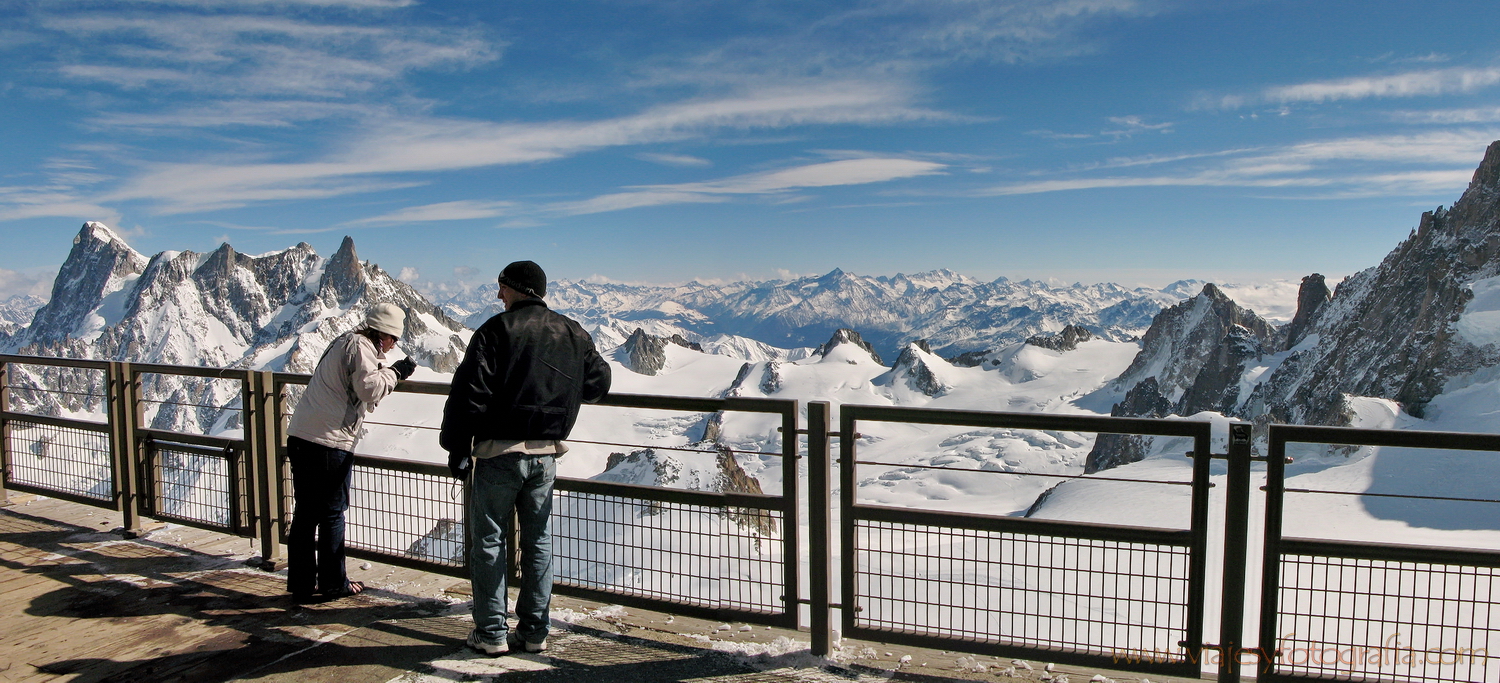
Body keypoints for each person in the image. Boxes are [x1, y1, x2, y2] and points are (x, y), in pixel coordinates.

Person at [441, 260, 611, 656]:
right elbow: (599, 382)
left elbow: (470, 395)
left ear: (516, 288)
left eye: (501, 287)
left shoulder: (494, 331)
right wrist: (560, 390)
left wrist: (456, 447)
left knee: (488, 542)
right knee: (539, 543)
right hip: (547, 455)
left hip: (499, 453)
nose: (498, 295)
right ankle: (534, 631)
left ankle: (491, 633)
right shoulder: (572, 330)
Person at [285, 303, 417, 602]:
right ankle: (334, 583)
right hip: (329, 442)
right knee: (332, 513)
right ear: (385, 336)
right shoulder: (361, 346)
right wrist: (396, 373)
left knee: (305, 514)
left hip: (302, 436)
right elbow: (368, 389)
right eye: (393, 339)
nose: (393, 345)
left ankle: (301, 583)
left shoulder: (344, 339)